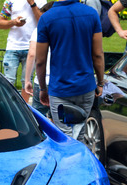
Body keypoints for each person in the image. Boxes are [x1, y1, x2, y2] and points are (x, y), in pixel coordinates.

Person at [35, 0, 105, 141]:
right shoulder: (91, 14)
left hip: (60, 88)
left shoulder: (47, 18)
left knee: (63, 137)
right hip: (86, 86)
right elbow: (98, 55)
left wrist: (43, 88)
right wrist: (100, 82)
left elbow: (40, 61)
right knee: (80, 133)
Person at [0, 0, 46, 89]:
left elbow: (43, 22)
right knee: (8, 81)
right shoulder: (10, 1)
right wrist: (14, 22)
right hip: (13, 46)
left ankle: (24, 103)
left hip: (31, 46)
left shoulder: (42, 1)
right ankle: (7, 103)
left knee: (27, 82)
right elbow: (0, 23)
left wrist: (32, 4)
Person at [23, 1, 54, 117]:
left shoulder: (39, 30)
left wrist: (27, 80)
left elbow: (32, 54)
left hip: (42, 81)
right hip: (60, 80)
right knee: (60, 118)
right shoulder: (64, 31)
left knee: (38, 117)